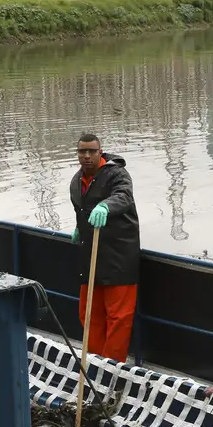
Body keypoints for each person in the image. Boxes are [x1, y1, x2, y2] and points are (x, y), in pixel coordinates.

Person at [69, 133, 140, 363]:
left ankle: (112, 370)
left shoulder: (117, 174)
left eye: (91, 151)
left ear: (101, 152)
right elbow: (81, 211)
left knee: (118, 318)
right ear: (78, 153)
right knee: (88, 315)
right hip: (90, 257)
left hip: (118, 257)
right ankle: (93, 364)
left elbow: (124, 196)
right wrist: (80, 227)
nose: (87, 156)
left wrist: (105, 206)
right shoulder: (76, 182)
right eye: (82, 151)